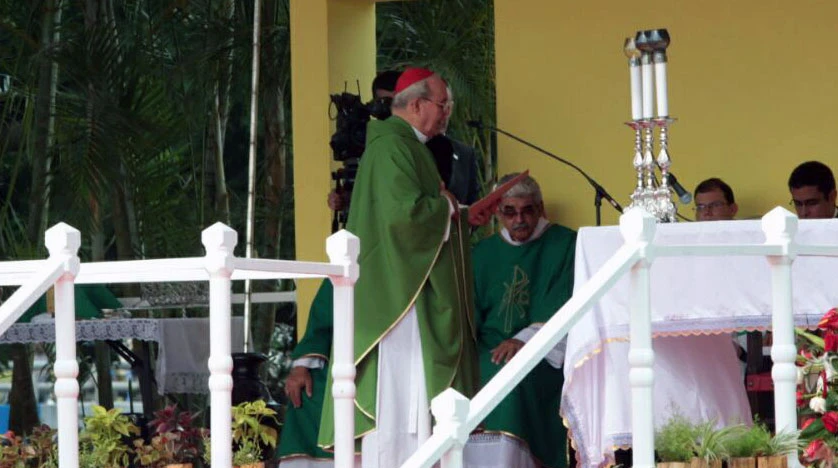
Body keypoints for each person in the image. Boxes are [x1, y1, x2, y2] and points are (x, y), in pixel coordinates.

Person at [317, 67, 482, 467]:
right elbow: (403, 218)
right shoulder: (394, 146)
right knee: (401, 398)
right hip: (401, 301)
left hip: (408, 288)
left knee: (412, 401)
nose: (447, 114)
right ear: (418, 104)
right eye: (444, 105)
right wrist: (446, 206)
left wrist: (449, 206)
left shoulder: (408, 145)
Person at [466, 173, 576, 468]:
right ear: (497, 213)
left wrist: (524, 340)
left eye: (528, 210)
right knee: (462, 377)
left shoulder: (565, 244)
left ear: (540, 209)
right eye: (510, 212)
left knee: (513, 381)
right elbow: (469, 313)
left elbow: (564, 303)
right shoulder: (482, 253)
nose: (519, 220)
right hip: (489, 347)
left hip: (540, 349)